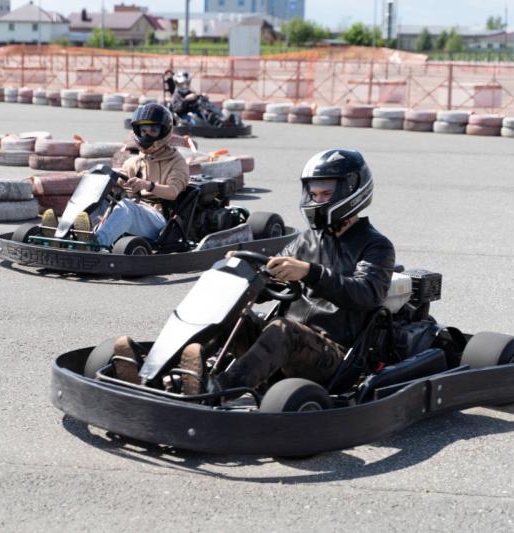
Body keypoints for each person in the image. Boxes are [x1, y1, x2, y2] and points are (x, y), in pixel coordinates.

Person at [113, 149, 396, 396]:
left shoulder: (375, 246)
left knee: (283, 329)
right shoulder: (308, 239)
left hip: (333, 354)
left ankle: (218, 389)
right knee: (228, 313)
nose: (318, 200)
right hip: (287, 341)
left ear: (350, 193)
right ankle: (155, 372)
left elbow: (367, 294)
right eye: (314, 194)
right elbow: (270, 275)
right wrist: (243, 272)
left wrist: (310, 272)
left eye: (326, 194)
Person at [41, 103, 189, 248]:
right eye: (143, 130)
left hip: (159, 221)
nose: (147, 135)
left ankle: (96, 243)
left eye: (153, 130)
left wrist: (147, 185)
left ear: (164, 131)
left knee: (126, 206)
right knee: (98, 199)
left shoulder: (176, 162)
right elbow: (119, 177)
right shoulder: (135, 161)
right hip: (135, 211)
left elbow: (172, 192)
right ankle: (62, 235)